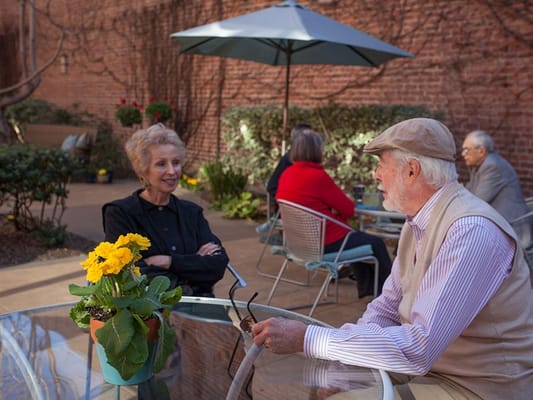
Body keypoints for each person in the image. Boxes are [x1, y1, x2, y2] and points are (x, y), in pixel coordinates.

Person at [252, 118, 533, 399]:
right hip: (433, 366)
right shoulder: (417, 222)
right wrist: (346, 362)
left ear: (412, 171)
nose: (376, 175)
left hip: (479, 385)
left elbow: (419, 348)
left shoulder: (471, 231)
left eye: (381, 164)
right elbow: (387, 308)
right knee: (328, 380)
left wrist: (308, 338)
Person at [102, 123, 228, 297]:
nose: (172, 171)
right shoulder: (120, 214)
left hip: (202, 306)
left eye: (176, 162)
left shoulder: (192, 213)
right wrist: (193, 265)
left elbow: (218, 264)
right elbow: (128, 274)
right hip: (149, 312)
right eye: (161, 164)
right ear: (143, 170)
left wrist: (167, 262)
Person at [275, 130, 392, 298]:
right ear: (317, 151)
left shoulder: (287, 174)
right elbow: (348, 210)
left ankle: (369, 291)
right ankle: (389, 298)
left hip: (299, 244)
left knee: (359, 239)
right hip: (324, 243)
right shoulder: (317, 177)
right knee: (376, 244)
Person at [462, 130, 532, 248]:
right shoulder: (479, 166)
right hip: (497, 226)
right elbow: (466, 193)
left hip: (512, 229)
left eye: (466, 149)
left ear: (481, 151)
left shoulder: (492, 166)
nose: (463, 154)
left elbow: (477, 201)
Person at [266, 123, 313, 206]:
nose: (313, 141)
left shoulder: (311, 161)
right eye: (309, 139)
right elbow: (272, 187)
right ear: (298, 140)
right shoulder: (288, 160)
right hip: (292, 211)